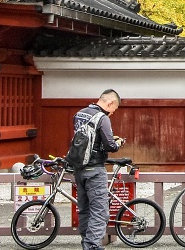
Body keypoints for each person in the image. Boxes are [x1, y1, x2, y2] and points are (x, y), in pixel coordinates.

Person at [72, 89, 126, 250]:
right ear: (110, 103)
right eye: (114, 109)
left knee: (84, 209)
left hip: (79, 168)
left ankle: (86, 243)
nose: (112, 113)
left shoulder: (79, 114)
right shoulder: (102, 118)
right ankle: (93, 246)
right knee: (99, 211)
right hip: (95, 169)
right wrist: (119, 143)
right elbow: (110, 145)